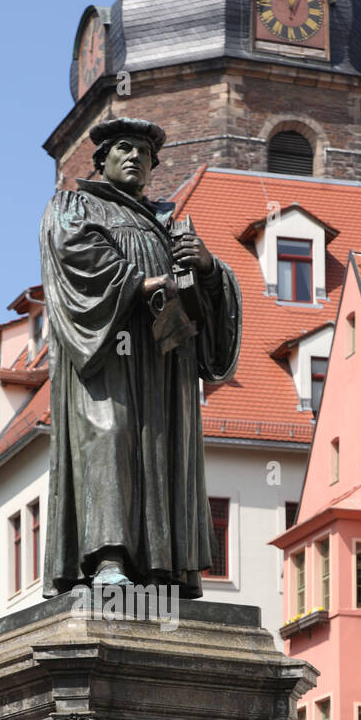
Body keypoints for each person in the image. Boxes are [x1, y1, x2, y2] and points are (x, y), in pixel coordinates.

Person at [39, 116, 242, 599]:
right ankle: (108, 561)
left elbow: (213, 299)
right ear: (101, 160)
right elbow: (73, 260)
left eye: (144, 154)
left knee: (161, 448)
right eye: (124, 149)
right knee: (110, 436)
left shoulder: (168, 222)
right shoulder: (74, 206)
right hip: (106, 354)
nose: (135, 158)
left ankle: (160, 568)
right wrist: (143, 282)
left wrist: (209, 268)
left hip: (164, 362)